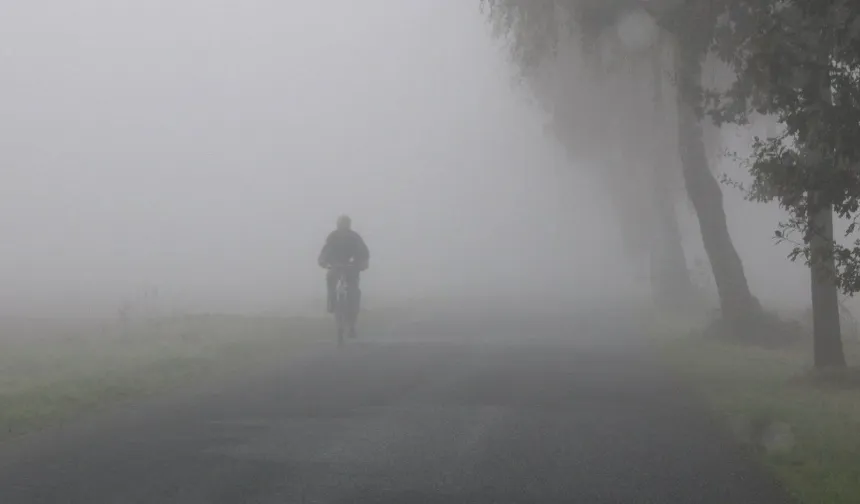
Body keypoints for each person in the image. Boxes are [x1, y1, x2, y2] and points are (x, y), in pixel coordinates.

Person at [317, 215, 369, 315]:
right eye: (342, 224)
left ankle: (355, 308)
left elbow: (363, 251)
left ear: (349, 225)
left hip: (352, 266)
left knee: (354, 289)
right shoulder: (333, 236)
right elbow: (326, 250)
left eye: (346, 224)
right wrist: (322, 261)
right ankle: (331, 301)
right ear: (338, 225)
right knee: (330, 278)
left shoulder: (354, 237)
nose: (344, 227)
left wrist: (363, 263)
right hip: (335, 265)